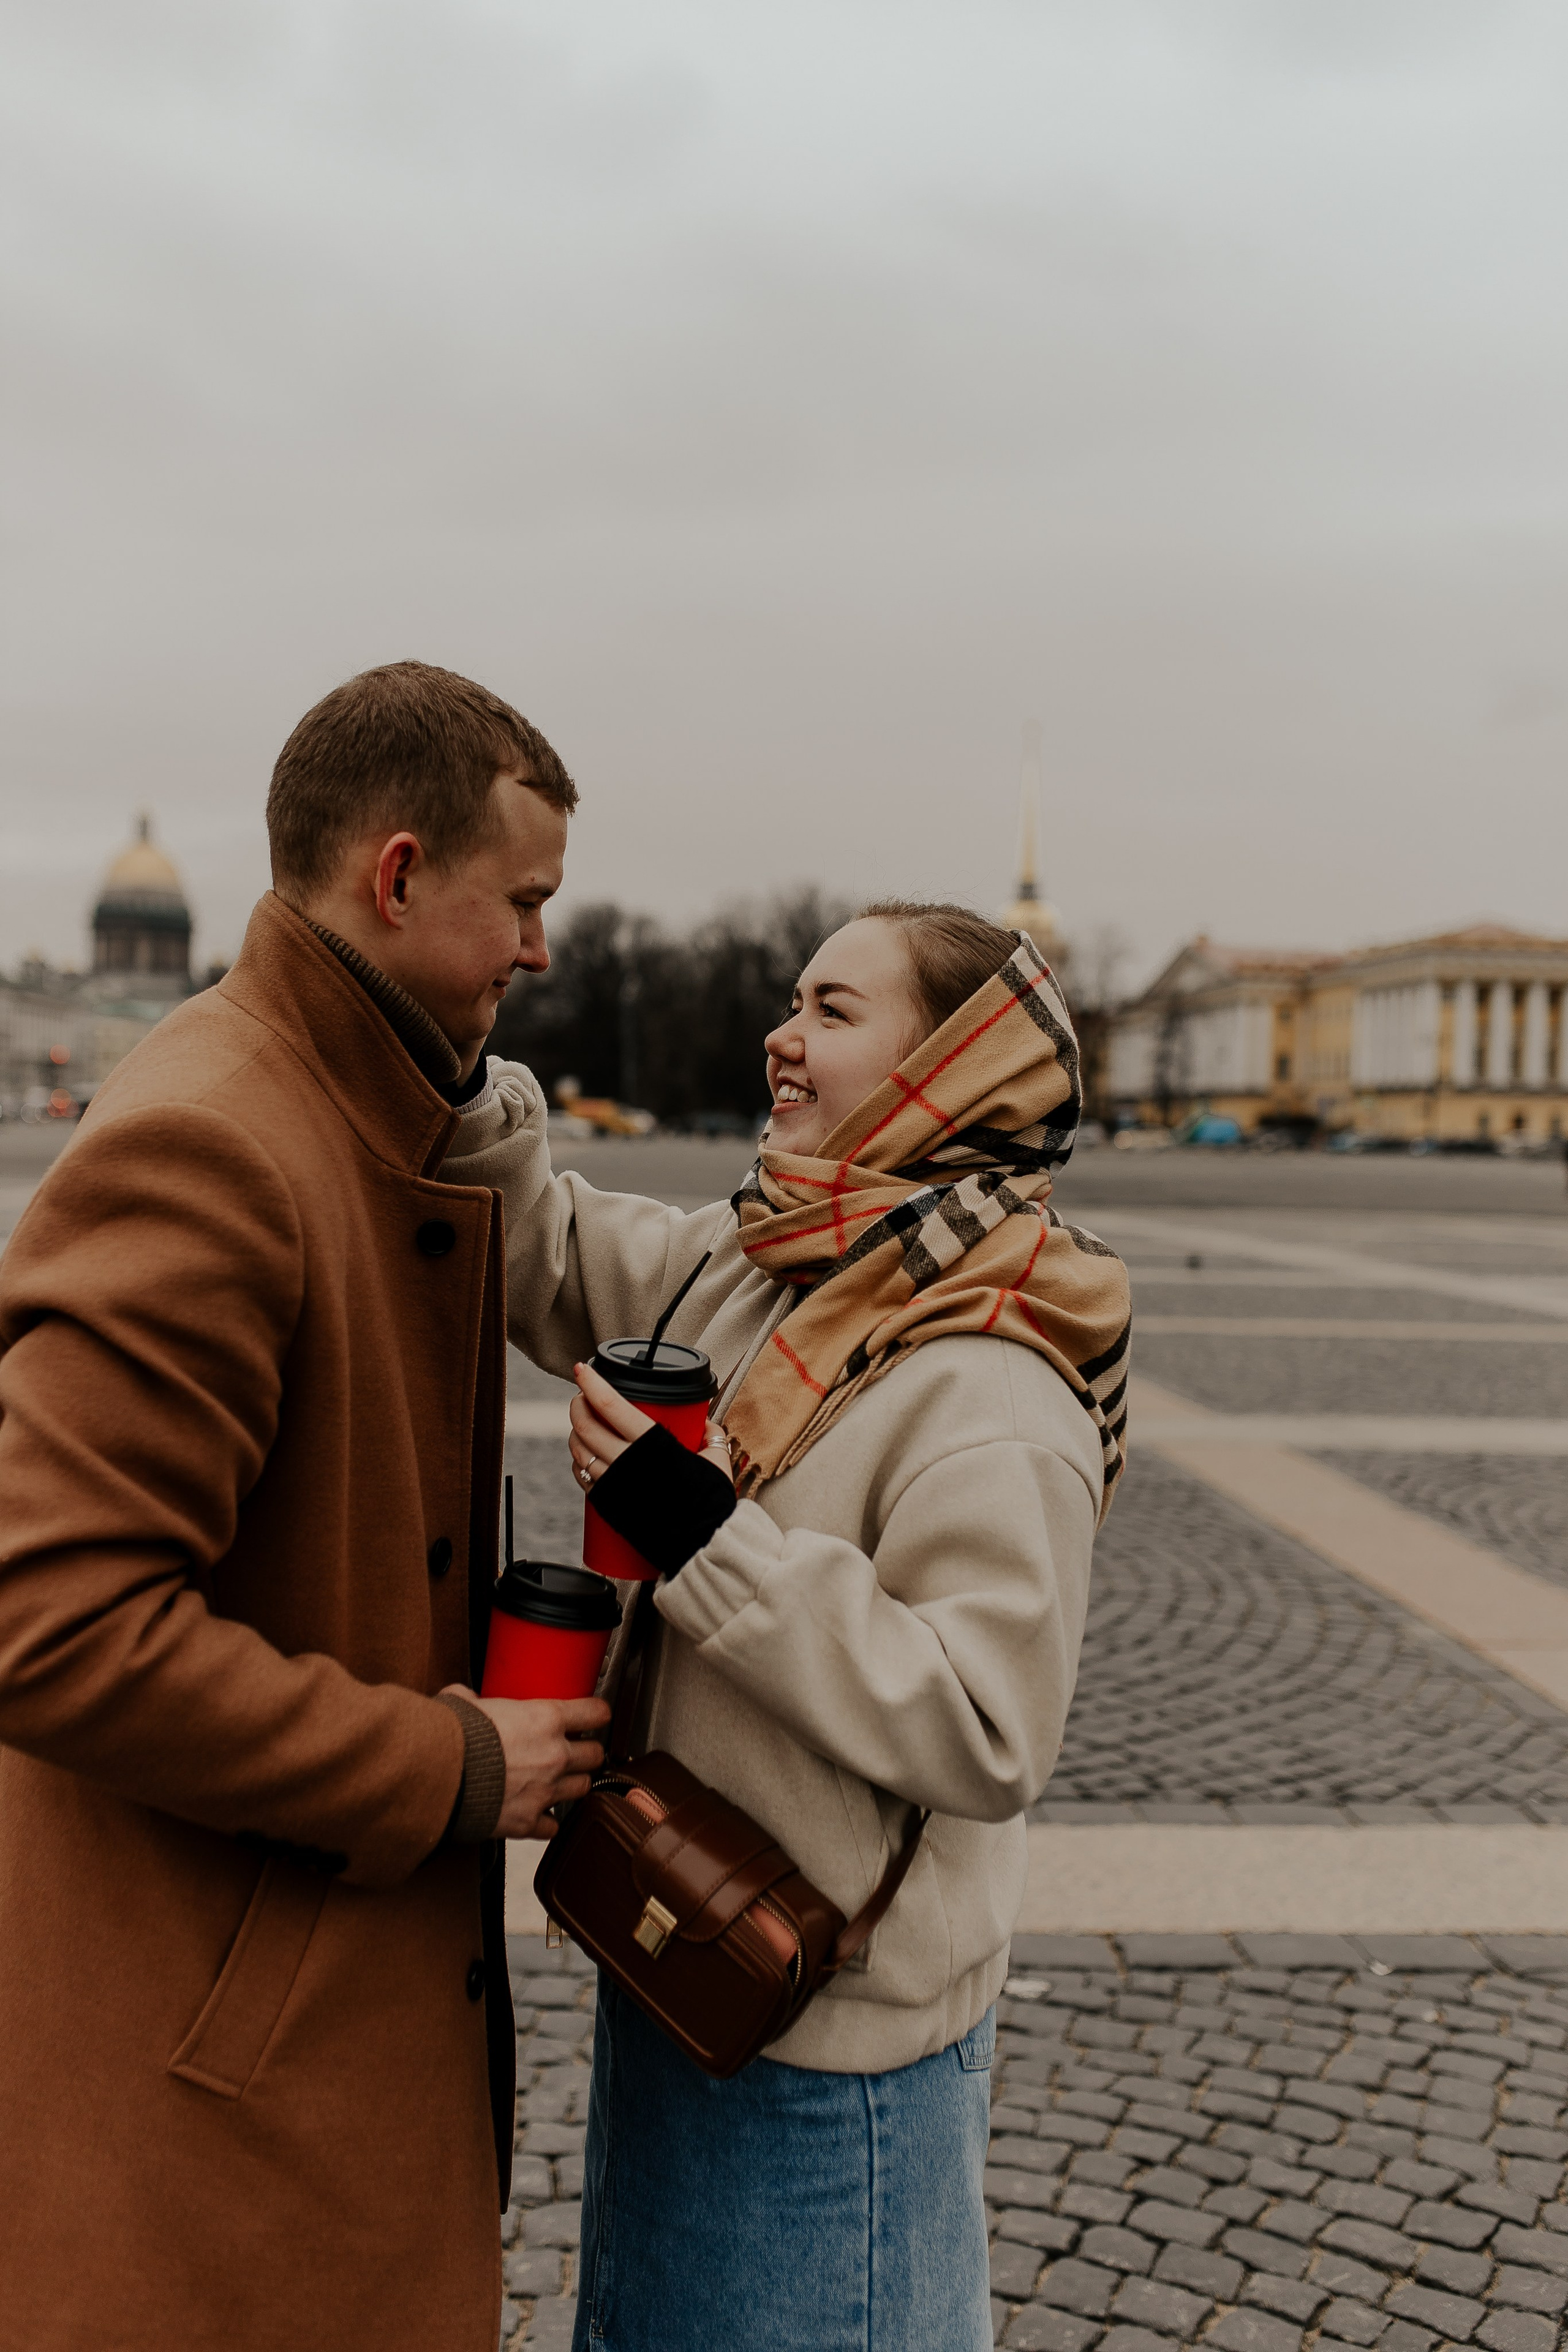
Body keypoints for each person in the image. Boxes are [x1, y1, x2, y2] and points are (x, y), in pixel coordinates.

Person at [0, 661, 611, 2352]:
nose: (542, 952)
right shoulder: (219, 1143)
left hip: (262, 2026)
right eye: (526, 901)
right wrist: (454, 1761)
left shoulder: (321, 1102)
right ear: (399, 876)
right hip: (223, 2072)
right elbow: (49, 1630)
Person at [448, 902, 1131, 2352]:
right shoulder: (770, 1259)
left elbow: (986, 1722)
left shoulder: (990, 1372)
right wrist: (456, 1060)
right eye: (789, 1000)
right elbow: (548, 1256)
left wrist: (701, 1533)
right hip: (682, 1957)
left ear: (946, 1064)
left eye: (830, 1009)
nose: (781, 1034)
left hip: (832, 2068)